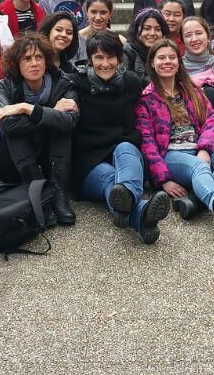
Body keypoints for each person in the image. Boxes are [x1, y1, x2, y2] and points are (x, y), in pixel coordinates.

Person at [137, 39, 214, 237]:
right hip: (172, 156)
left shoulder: (191, 90)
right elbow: (147, 142)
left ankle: (197, 202)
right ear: (152, 63)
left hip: (199, 150)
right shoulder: (146, 99)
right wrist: (163, 180)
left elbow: (211, 121)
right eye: (161, 58)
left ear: (179, 62)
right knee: (198, 166)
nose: (167, 62)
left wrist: (204, 148)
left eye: (172, 57)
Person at [69, 30, 169, 242]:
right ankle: (140, 214)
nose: (105, 63)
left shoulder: (132, 82)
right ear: (90, 59)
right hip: (89, 159)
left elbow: (165, 90)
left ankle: (126, 205)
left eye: (110, 57)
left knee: (125, 150)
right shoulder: (76, 84)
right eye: (99, 57)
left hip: (126, 153)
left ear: (119, 58)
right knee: (111, 183)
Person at [0, 32, 80, 224]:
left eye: (39, 57)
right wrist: (49, 112)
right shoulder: (5, 86)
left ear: (47, 61)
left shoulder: (63, 83)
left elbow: (70, 121)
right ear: (17, 63)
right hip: (13, 164)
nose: (34, 63)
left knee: (60, 127)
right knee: (17, 131)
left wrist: (26, 108)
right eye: (27, 59)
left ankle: (58, 193)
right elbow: (6, 124)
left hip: (50, 161)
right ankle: (37, 191)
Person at [123, 8, 170, 73]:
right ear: (136, 30)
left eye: (158, 29)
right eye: (147, 28)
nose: (152, 33)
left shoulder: (168, 52)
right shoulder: (127, 52)